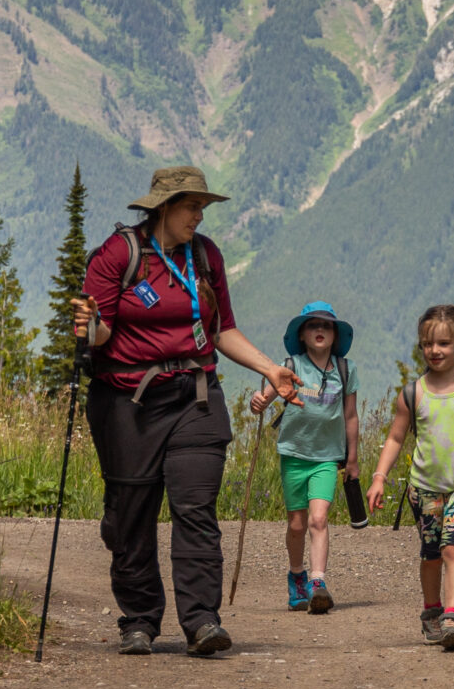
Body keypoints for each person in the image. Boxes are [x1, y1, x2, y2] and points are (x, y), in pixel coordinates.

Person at [73, 165, 300, 656]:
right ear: (163, 207)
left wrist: (270, 370)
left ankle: (202, 621)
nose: (200, 215)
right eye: (191, 206)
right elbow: (101, 335)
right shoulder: (119, 254)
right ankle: (138, 621)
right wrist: (88, 326)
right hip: (127, 403)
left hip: (195, 395)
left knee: (195, 510)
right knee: (130, 515)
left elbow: (221, 330)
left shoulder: (205, 256)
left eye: (202, 206)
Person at [365, 305, 454, 652]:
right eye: (428, 344)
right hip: (423, 490)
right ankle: (432, 610)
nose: (435, 351)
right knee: (430, 553)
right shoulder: (413, 394)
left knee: (453, 548)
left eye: (443, 343)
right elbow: (396, 438)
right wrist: (379, 476)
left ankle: (453, 616)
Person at [263, 302, 360, 614]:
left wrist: (352, 458)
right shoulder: (291, 365)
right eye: (312, 326)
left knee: (319, 519)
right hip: (293, 454)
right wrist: (259, 400)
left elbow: (350, 415)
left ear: (335, 335)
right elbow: (268, 394)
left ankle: (318, 583)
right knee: (297, 524)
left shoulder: (346, 370)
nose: (320, 330)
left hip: (327, 458)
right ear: (302, 335)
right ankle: (297, 577)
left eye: (327, 326)